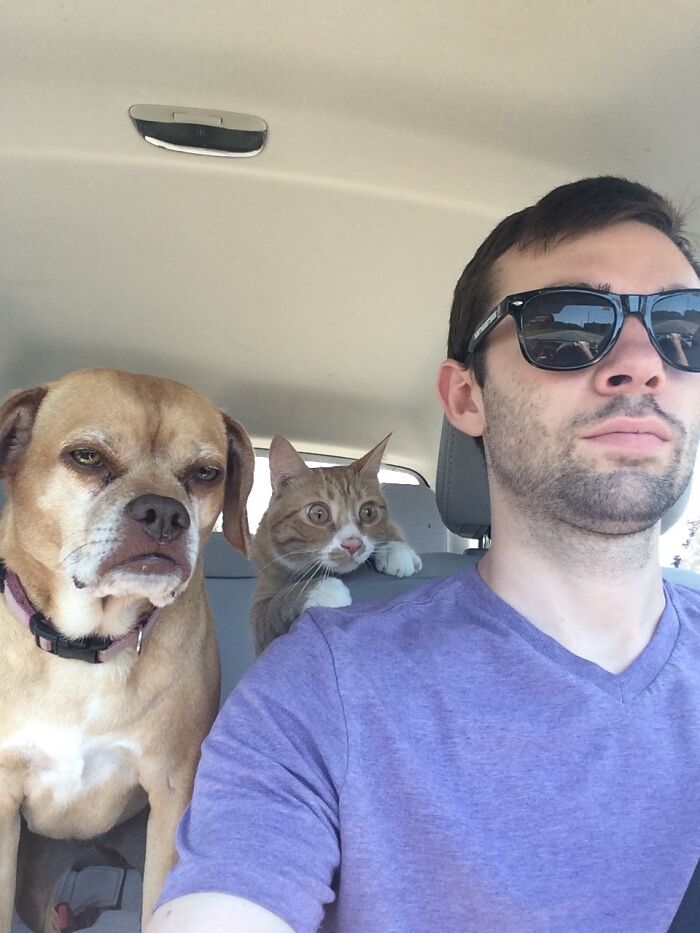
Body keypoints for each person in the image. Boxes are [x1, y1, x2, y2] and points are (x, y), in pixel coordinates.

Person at [147, 177, 700, 933]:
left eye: (684, 326)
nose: (643, 362)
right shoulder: (321, 687)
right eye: (567, 329)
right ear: (465, 396)